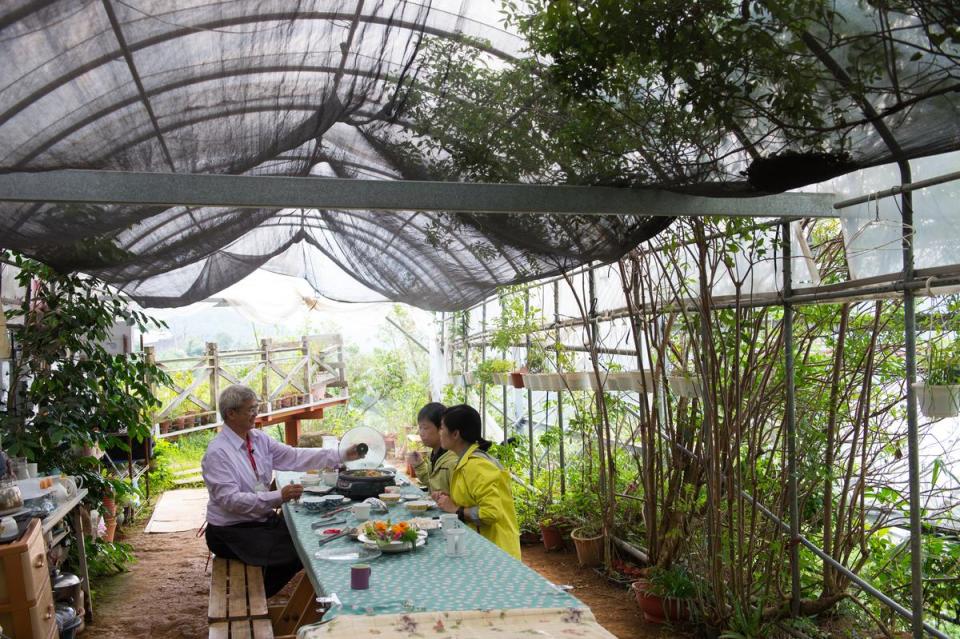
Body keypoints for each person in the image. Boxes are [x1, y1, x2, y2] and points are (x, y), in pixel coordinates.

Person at [202, 384, 365, 597]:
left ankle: (258, 590)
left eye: (256, 408)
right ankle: (252, 597)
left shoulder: (258, 439)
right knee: (299, 552)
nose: (255, 414)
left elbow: (294, 456)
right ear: (231, 414)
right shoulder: (218, 453)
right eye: (250, 409)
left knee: (309, 538)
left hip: (260, 521)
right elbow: (230, 501)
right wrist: (278, 496)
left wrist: (341, 454)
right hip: (231, 531)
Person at [432, 404, 521, 559]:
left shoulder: (476, 466)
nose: (439, 433)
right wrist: (450, 499)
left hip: (496, 553)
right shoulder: (466, 461)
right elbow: (474, 498)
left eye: (442, 428)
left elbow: (491, 513)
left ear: (455, 434)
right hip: (484, 547)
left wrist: (457, 510)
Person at [406, 402, 458, 494]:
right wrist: (419, 465)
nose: (421, 433)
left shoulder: (453, 461)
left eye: (425, 428)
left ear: (441, 428)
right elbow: (432, 484)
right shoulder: (435, 454)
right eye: (420, 428)